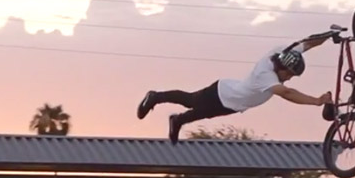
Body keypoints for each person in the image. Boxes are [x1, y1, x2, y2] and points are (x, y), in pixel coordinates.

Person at [136, 35, 332, 143]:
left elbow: (307, 42)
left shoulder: (284, 54)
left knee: (202, 114)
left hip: (232, 103)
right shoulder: (265, 75)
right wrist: (316, 101)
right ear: (281, 68)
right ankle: (156, 97)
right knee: (191, 101)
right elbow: (287, 94)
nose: (289, 79)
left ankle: (177, 120)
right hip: (222, 94)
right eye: (289, 75)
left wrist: (330, 36)